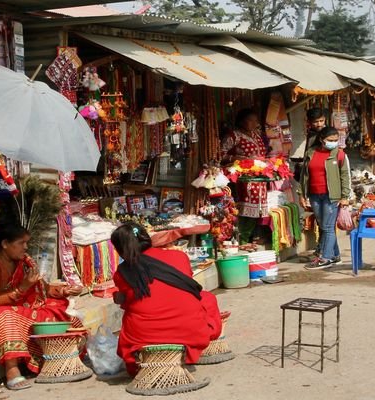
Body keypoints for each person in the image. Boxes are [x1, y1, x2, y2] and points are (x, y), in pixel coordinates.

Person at [0, 224, 81, 391]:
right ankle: (12, 370)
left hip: (10, 308)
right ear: (5, 244)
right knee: (4, 315)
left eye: (27, 243)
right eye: (21, 243)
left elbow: (44, 288)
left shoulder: (22, 262)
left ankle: (55, 359)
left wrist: (64, 290)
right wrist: (22, 287)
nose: (26, 247)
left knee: (58, 315)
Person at [110, 223, 223, 376]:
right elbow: (186, 289)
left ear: (120, 250)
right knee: (207, 298)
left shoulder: (122, 273)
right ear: (146, 238)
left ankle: (142, 358)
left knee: (132, 312)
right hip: (191, 331)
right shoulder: (179, 256)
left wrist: (118, 298)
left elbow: (128, 300)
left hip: (144, 337)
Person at [299, 127, 352, 269]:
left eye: (336, 140)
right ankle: (335, 256)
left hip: (332, 196)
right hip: (315, 195)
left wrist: (345, 196)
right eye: (331, 140)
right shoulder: (311, 152)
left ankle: (325, 258)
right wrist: (302, 194)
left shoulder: (339, 154)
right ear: (322, 139)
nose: (334, 143)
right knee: (323, 226)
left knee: (328, 227)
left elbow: (345, 176)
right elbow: (304, 175)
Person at [219, 109, 270, 244]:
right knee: (244, 210)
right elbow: (219, 154)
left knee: (257, 211)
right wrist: (236, 158)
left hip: (259, 178)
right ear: (242, 121)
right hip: (243, 180)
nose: (254, 123)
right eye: (250, 120)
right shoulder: (234, 136)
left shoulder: (257, 135)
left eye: (255, 120)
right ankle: (242, 239)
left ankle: (250, 237)